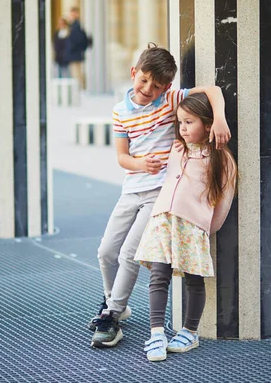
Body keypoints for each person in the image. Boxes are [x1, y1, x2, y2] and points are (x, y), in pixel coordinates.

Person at [89, 43, 231, 349]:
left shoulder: (170, 99)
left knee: (130, 253)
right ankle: (116, 302)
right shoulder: (120, 111)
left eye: (156, 86)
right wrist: (140, 164)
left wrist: (219, 118)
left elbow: (213, 90)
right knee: (106, 251)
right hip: (131, 189)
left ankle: (111, 316)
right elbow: (122, 157)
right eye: (143, 81)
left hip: (161, 194)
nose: (147, 89)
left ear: (167, 86)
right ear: (133, 73)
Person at [133, 92, 237, 361]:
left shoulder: (221, 159)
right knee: (158, 276)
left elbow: (223, 203)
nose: (182, 128)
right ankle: (156, 333)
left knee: (194, 279)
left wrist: (204, 227)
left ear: (207, 123)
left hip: (192, 227)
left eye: (189, 122)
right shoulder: (177, 149)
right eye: (179, 122)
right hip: (162, 220)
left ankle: (190, 331)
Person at [65, 7, 89, 88]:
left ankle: (80, 89)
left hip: (75, 54)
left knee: (76, 75)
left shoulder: (76, 26)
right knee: (76, 74)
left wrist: (72, 49)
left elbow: (77, 40)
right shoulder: (73, 25)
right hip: (75, 54)